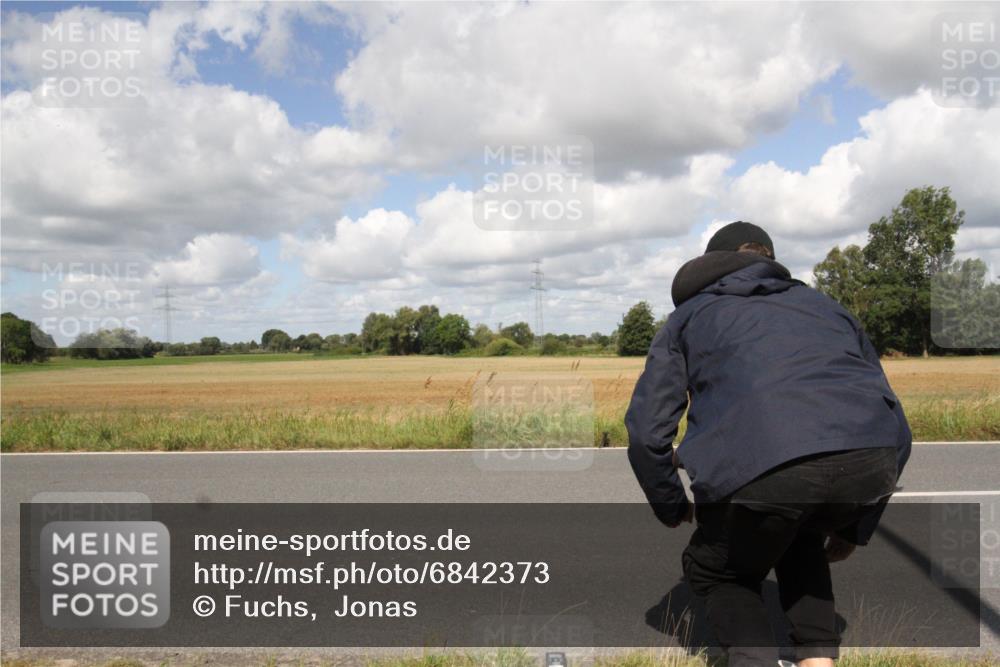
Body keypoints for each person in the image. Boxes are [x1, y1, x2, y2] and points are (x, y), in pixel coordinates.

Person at [625, 221, 912, 667]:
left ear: (710, 265)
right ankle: (819, 662)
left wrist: (671, 505)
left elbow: (647, 432)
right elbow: (898, 425)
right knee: (799, 534)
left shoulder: (690, 316)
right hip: (870, 461)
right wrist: (856, 525)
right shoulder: (826, 307)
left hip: (763, 471)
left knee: (719, 571)